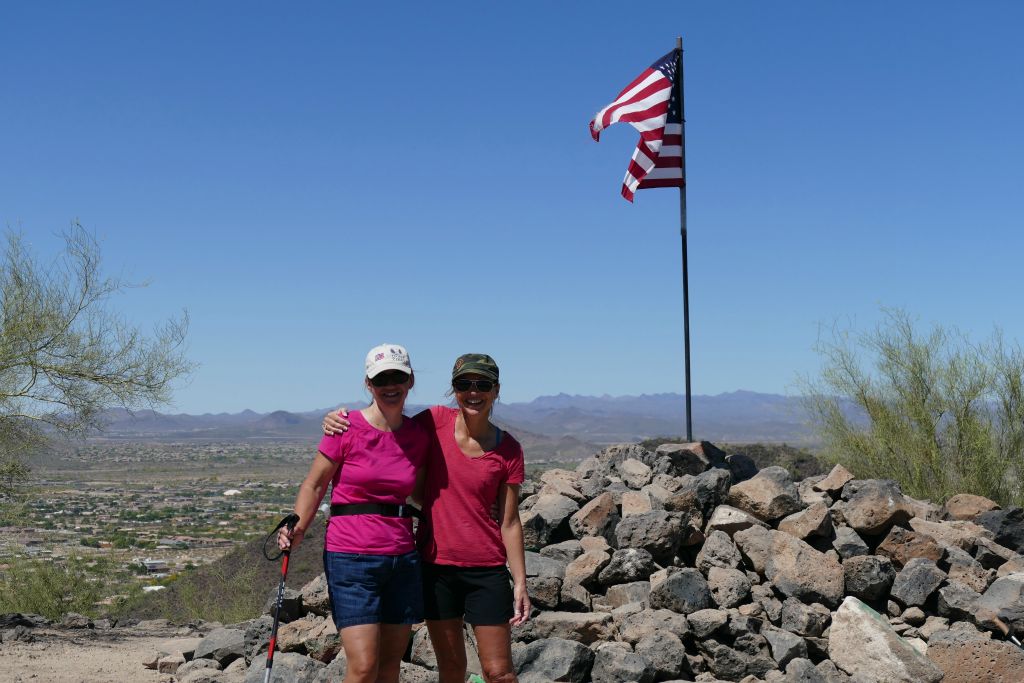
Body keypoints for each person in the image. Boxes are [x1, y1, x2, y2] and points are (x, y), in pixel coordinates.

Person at [325, 353, 530, 683]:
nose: (473, 391)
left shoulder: (509, 450)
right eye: (464, 384)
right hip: (436, 569)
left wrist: (520, 582)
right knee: (451, 669)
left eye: (482, 384)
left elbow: (509, 521)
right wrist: (338, 419)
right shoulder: (433, 421)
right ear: (454, 389)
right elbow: (385, 422)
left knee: (499, 672)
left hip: (487, 570)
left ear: (496, 390)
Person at [279, 344, 429, 683]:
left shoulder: (418, 435)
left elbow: (422, 490)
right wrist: (297, 525)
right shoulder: (344, 427)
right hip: (351, 557)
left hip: (402, 558)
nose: (390, 385)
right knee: (363, 667)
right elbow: (315, 484)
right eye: (381, 379)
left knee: (390, 667)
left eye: (398, 376)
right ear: (368, 384)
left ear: (410, 380)